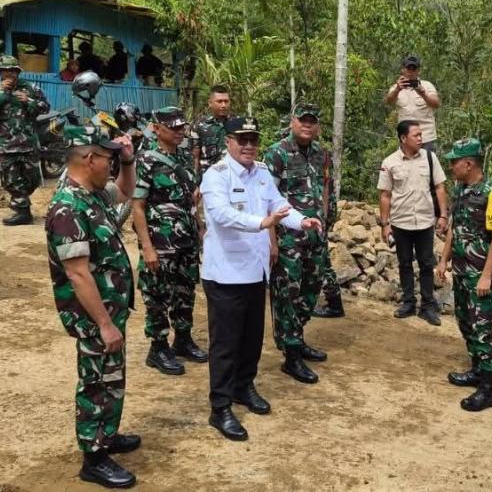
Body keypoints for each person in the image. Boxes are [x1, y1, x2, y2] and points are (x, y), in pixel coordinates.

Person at [200, 116, 322, 441]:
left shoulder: (263, 173)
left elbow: (279, 204)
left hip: (255, 273)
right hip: (225, 274)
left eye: (253, 139)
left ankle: (244, 387)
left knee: (252, 339)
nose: (249, 145)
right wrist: (262, 223)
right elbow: (222, 215)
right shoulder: (216, 175)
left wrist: (301, 221)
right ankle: (220, 407)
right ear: (228, 141)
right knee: (225, 345)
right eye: (242, 139)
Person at [45, 123, 139, 488]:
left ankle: (107, 434)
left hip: (109, 308)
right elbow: (78, 274)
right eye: (110, 159)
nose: (112, 167)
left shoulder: (92, 194)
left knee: (111, 376)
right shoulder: (68, 207)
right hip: (93, 315)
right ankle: (93, 456)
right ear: (90, 158)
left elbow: (126, 192)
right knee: (96, 381)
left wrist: (128, 162)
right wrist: (103, 323)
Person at [436, 138, 492, 411]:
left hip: (479, 275)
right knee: (465, 322)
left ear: (469, 164)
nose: (452, 167)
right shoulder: (462, 189)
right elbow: (454, 227)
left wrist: (486, 276)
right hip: (460, 271)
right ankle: (477, 370)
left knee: (483, 331)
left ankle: (488, 389)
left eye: (454, 162)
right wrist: (443, 260)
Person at [132, 107, 207, 377]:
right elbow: (138, 206)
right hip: (160, 242)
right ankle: (158, 347)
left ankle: (183, 339)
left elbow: (191, 198)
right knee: (157, 295)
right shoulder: (147, 160)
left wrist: (199, 228)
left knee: (185, 291)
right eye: (173, 128)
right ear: (156, 128)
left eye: (181, 127)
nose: (179, 132)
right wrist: (148, 247)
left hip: (185, 239)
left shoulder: (185, 157)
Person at [263, 103, 334, 384]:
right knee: (287, 296)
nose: (307, 125)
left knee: (310, 291)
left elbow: (326, 186)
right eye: (302, 120)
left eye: (312, 121)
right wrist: (271, 239)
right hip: (288, 237)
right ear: (293, 122)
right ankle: (290, 354)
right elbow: (266, 196)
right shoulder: (277, 152)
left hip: (315, 235)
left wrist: (325, 220)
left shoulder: (321, 154)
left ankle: (297, 337)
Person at [377, 119, 448, 325]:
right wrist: (385, 224)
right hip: (401, 222)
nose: (420, 138)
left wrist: (443, 215)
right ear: (403, 138)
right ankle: (408, 302)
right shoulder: (389, 162)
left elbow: (440, 188)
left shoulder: (430, 158)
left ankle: (427, 306)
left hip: (425, 222)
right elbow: (385, 195)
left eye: (421, 134)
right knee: (405, 263)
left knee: (427, 263)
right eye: (416, 135)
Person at [0, 54, 49, 225]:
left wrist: (29, 100)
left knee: (32, 180)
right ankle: (23, 212)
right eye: (6, 71)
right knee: (11, 181)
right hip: (6, 145)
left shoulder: (31, 88)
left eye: (13, 70)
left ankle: (22, 204)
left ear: (18, 72)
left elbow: (45, 107)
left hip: (28, 143)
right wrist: (2, 92)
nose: (10, 74)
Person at [310, 114, 345, 319]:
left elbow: (324, 185)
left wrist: (323, 216)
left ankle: (334, 302)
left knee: (321, 260)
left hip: (321, 212)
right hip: (322, 211)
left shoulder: (320, 154)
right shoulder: (322, 153)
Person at [384, 55, 441, 153]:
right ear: (403, 70)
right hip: (406, 139)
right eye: (408, 68)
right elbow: (388, 101)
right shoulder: (396, 87)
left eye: (414, 68)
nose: (411, 71)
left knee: (427, 167)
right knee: (406, 167)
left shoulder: (427, 86)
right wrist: (397, 89)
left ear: (419, 71)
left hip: (426, 139)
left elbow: (436, 104)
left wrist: (423, 94)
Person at [191, 85, 232, 176]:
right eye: (219, 101)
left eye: (226, 101)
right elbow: (195, 157)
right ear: (210, 103)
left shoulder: (237, 124)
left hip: (232, 176)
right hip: (208, 177)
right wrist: (195, 182)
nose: (223, 105)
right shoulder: (199, 126)